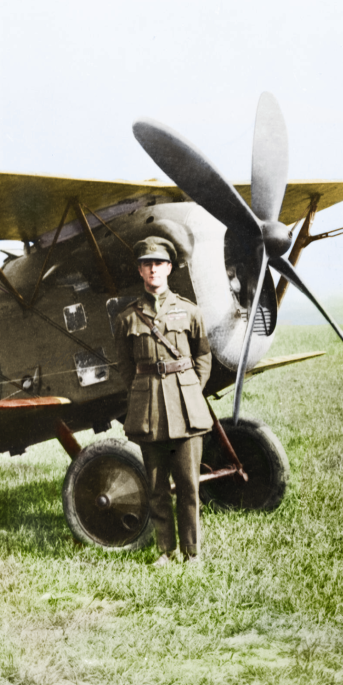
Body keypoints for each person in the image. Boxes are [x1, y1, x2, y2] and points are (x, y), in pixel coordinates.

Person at [114, 236, 214, 565]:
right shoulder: (127, 318)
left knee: (188, 486)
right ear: (140, 271)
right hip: (149, 412)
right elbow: (126, 366)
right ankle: (165, 552)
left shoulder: (189, 311)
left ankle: (192, 553)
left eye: (158, 263)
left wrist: (190, 389)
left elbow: (203, 355)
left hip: (187, 411)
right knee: (157, 488)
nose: (153, 268)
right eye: (146, 263)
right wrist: (142, 394)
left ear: (169, 268)